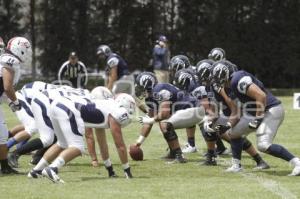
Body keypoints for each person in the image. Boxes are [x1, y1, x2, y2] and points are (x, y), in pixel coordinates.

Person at [212, 61, 300, 176]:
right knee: (233, 133)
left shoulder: (237, 79)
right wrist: (227, 126)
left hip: (270, 110)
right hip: (255, 113)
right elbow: (236, 112)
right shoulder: (231, 87)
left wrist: (258, 117)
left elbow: (261, 95)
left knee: (263, 145)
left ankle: (297, 163)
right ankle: (236, 165)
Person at [28, 93, 136, 183]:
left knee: (62, 143)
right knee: (78, 147)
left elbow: (102, 143)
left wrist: (110, 169)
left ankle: (36, 170)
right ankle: (52, 168)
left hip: (57, 104)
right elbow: (120, 145)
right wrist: (127, 170)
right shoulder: (117, 111)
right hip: (68, 107)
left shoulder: (106, 107)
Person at [135, 72, 205, 163]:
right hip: (189, 111)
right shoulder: (151, 97)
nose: (139, 90)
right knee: (163, 123)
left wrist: (150, 120)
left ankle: (179, 156)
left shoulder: (159, 90)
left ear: (146, 84)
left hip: (195, 109)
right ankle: (173, 152)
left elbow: (164, 114)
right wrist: (138, 142)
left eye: (140, 87)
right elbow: (149, 121)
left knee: (165, 124)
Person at [0, 36, 32, 174]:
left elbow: (3, 89)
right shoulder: (9, 60)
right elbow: (7, 87)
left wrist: (10, 102)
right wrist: (16, 102)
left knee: (2, 136)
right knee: (1, 135)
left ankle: (5, 167)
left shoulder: (6, 59)